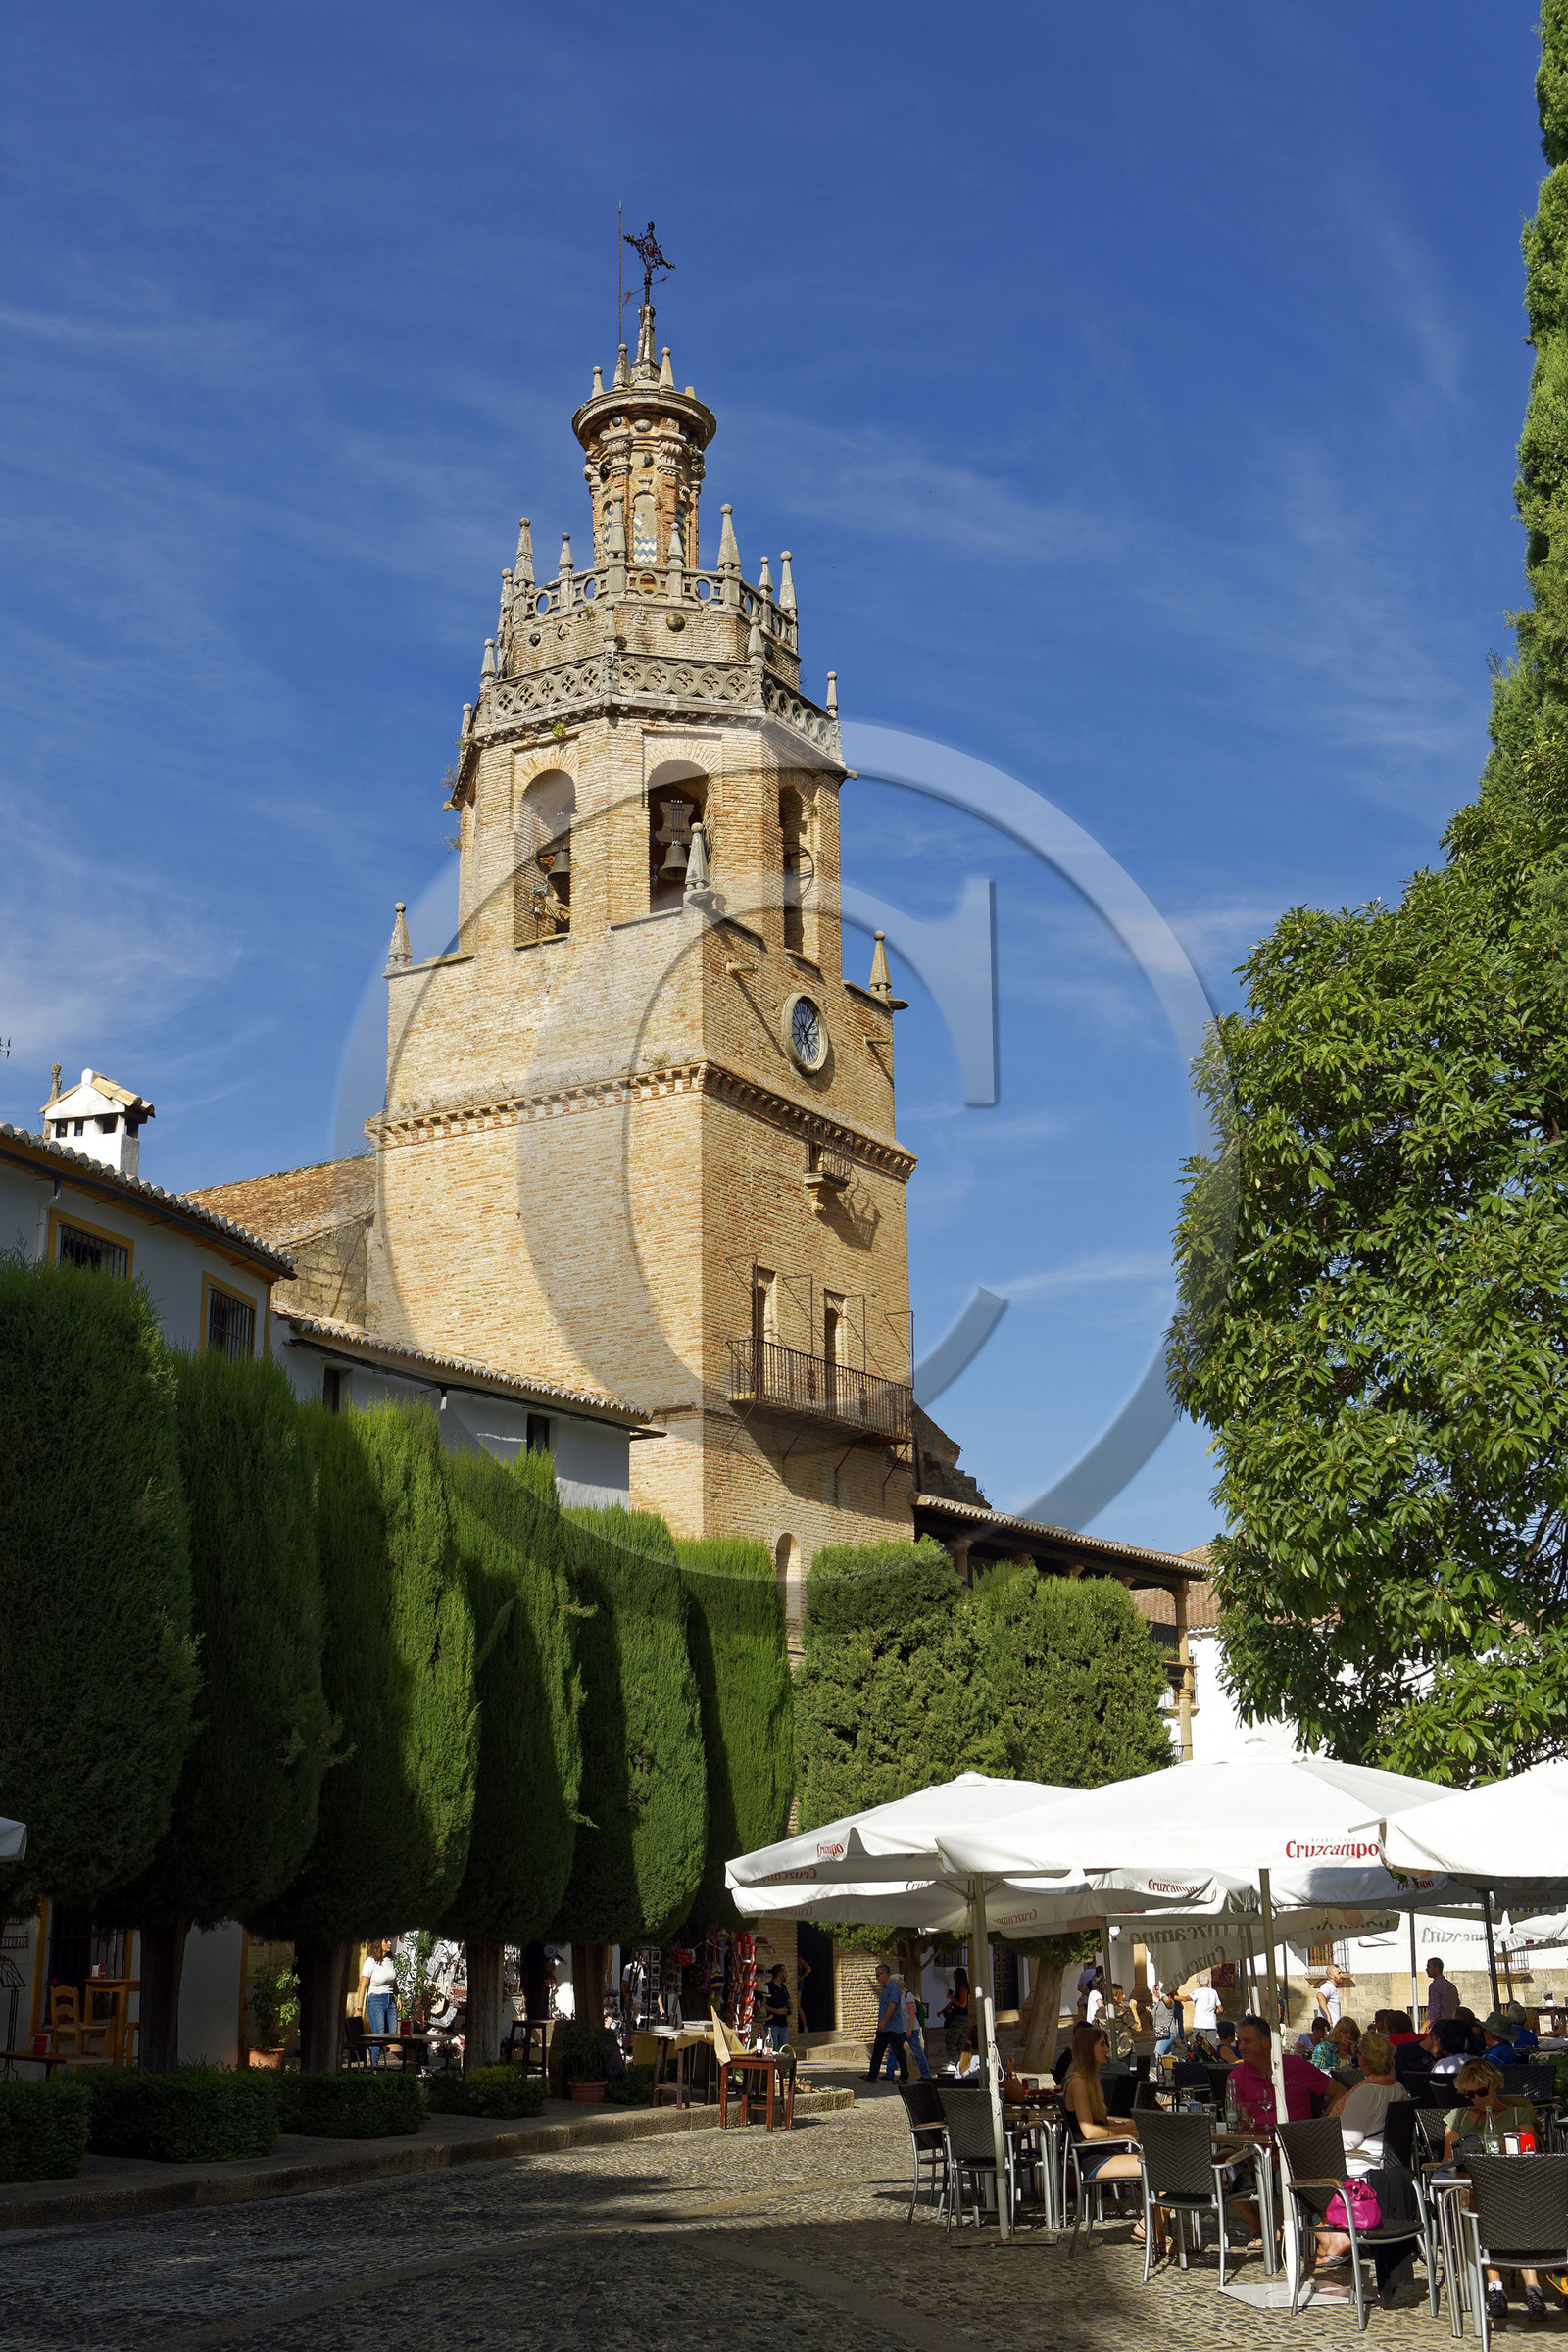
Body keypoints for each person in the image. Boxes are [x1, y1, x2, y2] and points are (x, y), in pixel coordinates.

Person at [1309, 2032, 1414, 2304]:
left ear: (1362, 2061)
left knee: (1304, 2166)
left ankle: (1336, 2233)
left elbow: (1348, 2138)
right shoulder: (1396, 2086)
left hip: (1362, 2163)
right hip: (1388, 2161)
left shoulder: (1367, 2092)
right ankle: (1335, 2232)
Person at [1444, 2060, 1548, 2321]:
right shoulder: (1457, 2118)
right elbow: (1448, 2161)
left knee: (1516, 2205)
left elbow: (1529, 2153)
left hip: (1514, 2184)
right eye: (1470, 2094)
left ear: (1496, 2086)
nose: (1476, 2099)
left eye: (1481, 2092)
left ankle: (1532, 2288)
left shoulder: (1517, 2115)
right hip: (1473, 2188)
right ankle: (1496, 2287)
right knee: (1483, 2206)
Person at [1060, 2024, 1150, 2241]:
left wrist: (1125, 2123)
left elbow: (1097, 2119)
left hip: (1105, 2154)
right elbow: (1088, 2131)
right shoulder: (1078, 2083)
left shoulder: (1087, 2080)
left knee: (1164, 2166)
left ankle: (1151, 2228)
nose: (1107, 2049)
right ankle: (1148, 2227)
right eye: (1102, 2045)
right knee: (1161, 2169)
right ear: (1088, 2049)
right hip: (1096, 2159)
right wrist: (1124, 2131)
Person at [1228, 2013, 1336, 2133]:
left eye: (1247, 2042)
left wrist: (1322, 2125)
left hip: (1299, 2146)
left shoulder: (1297, 2066)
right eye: (1239, 2042)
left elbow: (1340, 2093)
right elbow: (1239, 2125)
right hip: (1256, 2146)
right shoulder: (1236, 2077)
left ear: (1265, 2042)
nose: (1241, 2047)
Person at [865, 1963, 908, 2084]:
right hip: (883, 2028)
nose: (877, 1977)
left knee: (898, 2052)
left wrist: (883, 2021)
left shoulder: (893, 1988)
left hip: (892, 2027)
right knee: (878, 2051)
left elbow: (892, 2005)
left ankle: (904, 2076)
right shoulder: (885, 1989)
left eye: (878, 1975)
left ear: (885, 1974)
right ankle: (872, 2075)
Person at [360, 1938, 399, 2069]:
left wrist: (398, 1997)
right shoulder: (370, 1961)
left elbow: (394, 1981)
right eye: (386, 1941)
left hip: (390, 2000)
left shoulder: (390, 1961)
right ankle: (374, 2067)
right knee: (379, 2035)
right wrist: (359, 2008)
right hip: (376, 2000)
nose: (390, 1943)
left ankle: (382, 2063)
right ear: (378, 1943)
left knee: (392, 2035)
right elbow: (363, 1986)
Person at [939, 1967, 971, 2063]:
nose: (953, 1975)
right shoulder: (958, 1987)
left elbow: (963, 2004)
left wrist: (951, 1998)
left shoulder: (963, 1988)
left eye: (954, 1973)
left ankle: (955, 2061)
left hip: (961, 2017)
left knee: (951, 2040)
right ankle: (963, 2062)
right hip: (957, 2016)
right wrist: (943, 2010)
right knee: (961, 2041)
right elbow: (953, 2003)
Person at [1424, 1955, 1459, 2027]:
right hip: (1454, 2025)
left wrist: (1424, 2025)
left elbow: (1434, 2010)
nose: (1426, 1969)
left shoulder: (1434, 1986)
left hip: (1441, 2026)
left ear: (1436, 1969)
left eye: (1428, 1967)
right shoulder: (1451, 1986)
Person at [763, 1964, 791, 2053]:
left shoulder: (784, 1988)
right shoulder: (768, 1986)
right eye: (785, 1972)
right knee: (773, 2050)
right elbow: (763, 2005)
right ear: (779, 1974)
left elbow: (789, 2001)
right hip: (772, 2023)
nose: (786, 1974)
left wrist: (789, 2009)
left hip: (783, 2024)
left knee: (784, 2050)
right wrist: (777, 2011)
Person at [1328, 2017, 1362, 2083]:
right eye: (1345, 2032)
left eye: (1352, 2033)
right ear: (1337, 2032)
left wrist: (1357, 2053)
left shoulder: (1358, 2052)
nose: (1349, 2036)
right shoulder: (1328, 2050)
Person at [1189, 1974, 1221, 2038]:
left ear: (1199, 1982)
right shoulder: (1214, 1992)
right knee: (1211, 2046)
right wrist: (1213, 2012)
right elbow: (1220, 2009)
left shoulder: (1198, 1992)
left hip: (1199, 2023)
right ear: (1208, 1982)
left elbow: (1185, 1998)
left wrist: (1174, 1997)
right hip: (1211, 2024)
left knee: (1199, 2046)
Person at [1314, 1963, 1345, 2028]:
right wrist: (1328, 2015)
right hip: (1330, 2030)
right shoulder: (1327, 1986)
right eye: (1338, 1973)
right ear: (1331, 1975)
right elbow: (1319, 1996)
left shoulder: (1332, 1988)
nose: (1342, 1975)